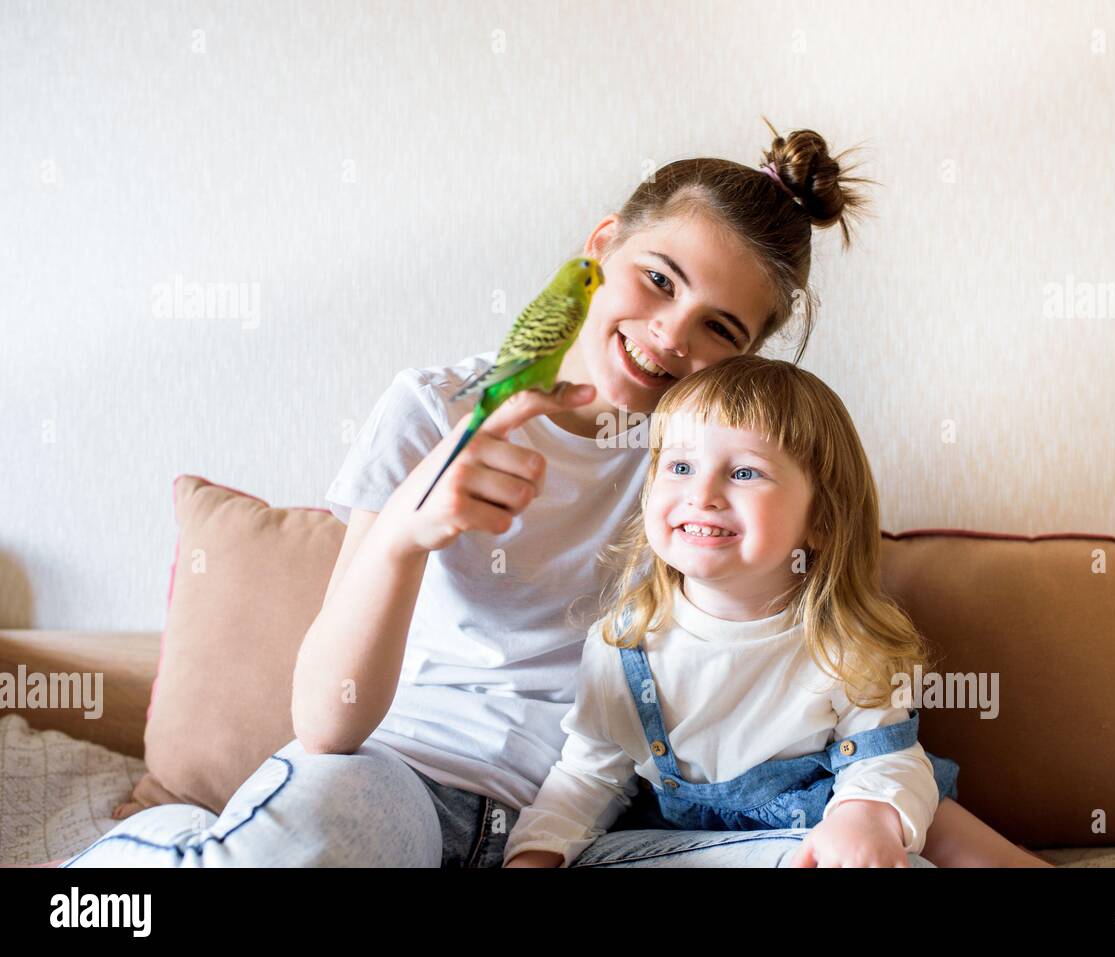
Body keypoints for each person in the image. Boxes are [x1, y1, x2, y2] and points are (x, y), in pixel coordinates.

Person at [60, 120, 1044, 867]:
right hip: (411, 781)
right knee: (311, 828)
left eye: (719, 331)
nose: (669, 339)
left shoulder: (702, 476)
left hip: (613, 821)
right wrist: (407, 534)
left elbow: (823, 683)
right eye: (656, 280)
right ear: (603, 245)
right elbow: (327, 726)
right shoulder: (440, 409)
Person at [506, 356, 956, 868]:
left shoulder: (845, 645)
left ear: (822, 520)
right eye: (680, 467)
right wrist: (536, 854)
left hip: (808, 842)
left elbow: (887, 759)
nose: (701, 494)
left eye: (744, 472)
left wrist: (866, 816)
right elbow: (588, 775)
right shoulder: (624, 643)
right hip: (672, 853)